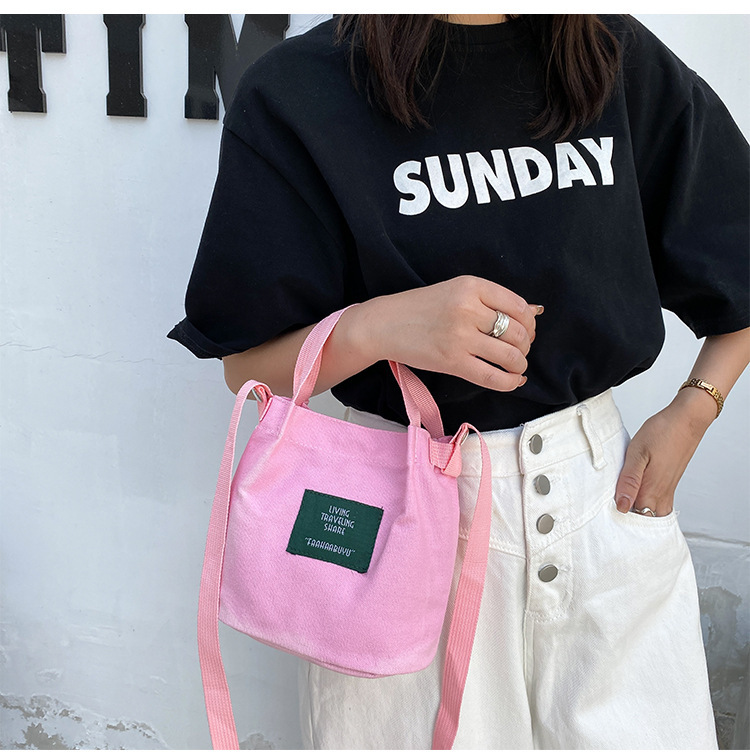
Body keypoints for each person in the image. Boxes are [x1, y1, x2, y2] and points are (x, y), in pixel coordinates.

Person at [168, 13, 749, 750]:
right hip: (405, 518)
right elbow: (245, 367)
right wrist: (382, 326)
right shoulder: (301, 90)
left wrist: (695, 410)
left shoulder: (609, 54)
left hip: (603, 504)